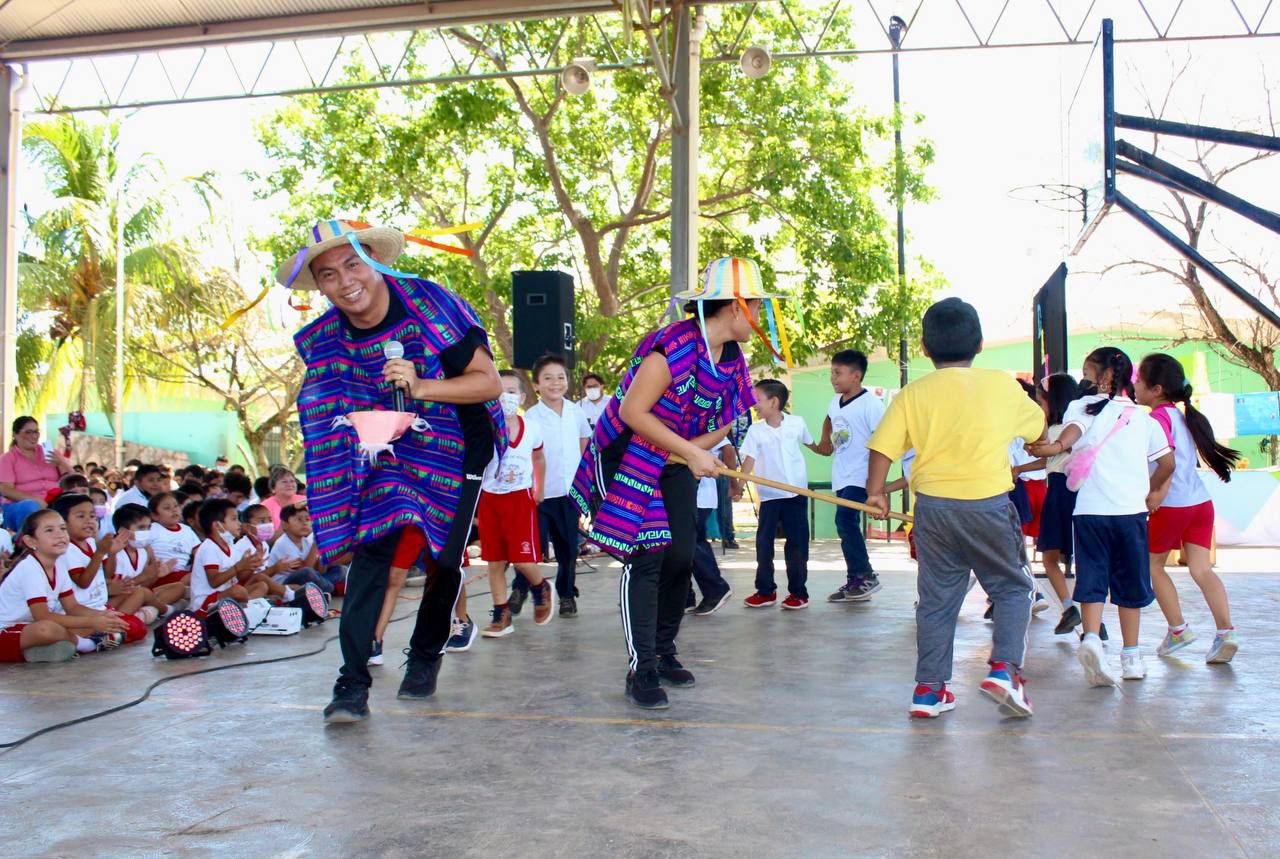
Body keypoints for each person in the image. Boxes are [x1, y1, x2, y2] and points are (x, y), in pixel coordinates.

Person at [282, 219, 504, 724]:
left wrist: (422, 386)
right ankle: (352, 683)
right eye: (328, 275)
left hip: (458, 439)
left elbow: (487, 382)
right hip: (383, 445)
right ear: (320, 287)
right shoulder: (325, 340)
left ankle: (425, 655)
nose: (345, 281)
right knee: (374, 554)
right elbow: (323, 403)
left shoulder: (429, 305)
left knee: (444, 559)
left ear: (375, 262)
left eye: (353, 264)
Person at [571, 256, 764, 710]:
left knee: (681, 554)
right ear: (736, 307)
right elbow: (634, 414)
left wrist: (695, 450)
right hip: (627, 455)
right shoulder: (671, 346)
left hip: (674, 459)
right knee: (650, 555)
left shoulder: (733, 361)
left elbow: (725, 422)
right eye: (756, 304)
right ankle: (642, 668)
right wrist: (691, 451)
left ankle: (664, 649)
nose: (759, 315)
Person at [865, 298, 1045, 720]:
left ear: (925, 348)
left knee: (937, 600)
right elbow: (1037, 428)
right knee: (1014, 587)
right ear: (980, 344)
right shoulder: (1001, 385)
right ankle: (1005, 669)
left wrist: (876, 492)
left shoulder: (913, 394)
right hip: (988, 505)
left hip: (933, 511)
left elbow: (882, 447)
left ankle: (928, 691)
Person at [1028, 347, 1175, 686]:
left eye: (1086, 371)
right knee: (1130, 586)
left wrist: (1048, 448)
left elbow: (1067, 441)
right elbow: (1168, 463)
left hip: (1090, 512)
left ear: (1099, 375)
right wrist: (1150, 492)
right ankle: (1132, 658)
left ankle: (1092, 639)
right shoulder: (1143, 417)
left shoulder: (1081, 407)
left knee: (1091, 581)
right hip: (1130, 513)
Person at [1135, 352, 1241, 664]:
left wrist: (1155, 492)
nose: (1135, 386)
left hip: (1172, 505)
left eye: (1139, 381)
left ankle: (1178, 629)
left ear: (1156, 390)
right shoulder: (1183, 415)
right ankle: (1226, 632)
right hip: (1200, 503)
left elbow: (1166, 463)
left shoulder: (1157, 418)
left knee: (1152, 566)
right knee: (1201, 569)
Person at [479, 370, 555, 639]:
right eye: (500, 391)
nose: (505, 397)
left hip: (519, 498)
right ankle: (502, 614)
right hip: (490, 498)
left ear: (522, 397)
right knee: (494, 562)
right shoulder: (483, 426)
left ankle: (540, 586)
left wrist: (540, 487)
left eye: (511, 392)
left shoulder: (532, 428)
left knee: (523, 560)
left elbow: (539, 459)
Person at [0, 509, 131, 662]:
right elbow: (42, 616)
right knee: (47, 629)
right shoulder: (30, 568)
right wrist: (92, 622)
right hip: (7, 630)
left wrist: (100, 616)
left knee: (89, 621)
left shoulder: (59, 564)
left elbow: (73, 607)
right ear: (31, 542)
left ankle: (42, 652)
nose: (60, 534)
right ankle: (86, 644)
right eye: (49, 530)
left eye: (62, 529)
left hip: (30, 627)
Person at [739, 379, 820, 610]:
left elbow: (812, 444)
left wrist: (826, 446)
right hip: (769, 497)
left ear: (774, 402)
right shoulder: (755, 430)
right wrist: (738, 485)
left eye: (757, 400)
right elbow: (749, 460)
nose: (754, 405)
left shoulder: (797, 423)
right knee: (764, 545)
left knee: (797, 546)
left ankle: (798, 593)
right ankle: (765, 591)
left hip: (795, 495)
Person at [817, 351, 886, 603]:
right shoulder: (835, 401)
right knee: (845, 525)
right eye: (831, 373)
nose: (833, 378)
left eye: (838, 373)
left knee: (845, 520)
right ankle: (856, 579)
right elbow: (828, 419)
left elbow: (882, 442)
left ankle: (865, 575)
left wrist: (876, 481)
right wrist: (826, 439)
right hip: (841, 474)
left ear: (856, 376)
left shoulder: (871, 405)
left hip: (861, 474)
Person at [526, 354, 592, 617]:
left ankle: (566, 595)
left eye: (561, 377)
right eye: (548, 378)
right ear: (536, 385)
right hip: (541, 493)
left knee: (567, 549)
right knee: (534, 545)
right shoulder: (532, 416)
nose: (556, 383)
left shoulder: (576, 411)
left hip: (570, 493)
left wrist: (583, 482)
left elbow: (584, 442)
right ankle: (525, 590)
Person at [51, 494, 153, 642]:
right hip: (78, 611)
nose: (89, 521)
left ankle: (107, 629)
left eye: (92, 516)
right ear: (63, 522)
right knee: (134, 627)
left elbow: (107, 573)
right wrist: (100, 553)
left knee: (137, 604)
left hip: (99, 605)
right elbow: (83, 582)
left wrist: (111, 553)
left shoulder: (92, 543)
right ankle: (87, 638)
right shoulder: (67, 549)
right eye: (81, 516)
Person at [1034, 373, 1085, 635]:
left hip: (1058, 494)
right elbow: (1049, 459)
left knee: (1049, 558)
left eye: (1041, 402)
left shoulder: (1054, 431)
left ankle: (1069, 608)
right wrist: (1021, 466)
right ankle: (1094, 619)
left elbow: (1047, 455)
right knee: (1085, 558)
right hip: (1083, 496)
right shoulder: (1081, 428)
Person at [686, 439, 735, 616]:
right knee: (681, 545)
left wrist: (733, 482)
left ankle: (716, 589)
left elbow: (728, 449)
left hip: (699, 494)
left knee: (692, 542)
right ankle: (685, 597)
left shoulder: (704, 418)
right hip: (683, 492)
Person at [191, 499, 266, 610]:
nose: (239, 524)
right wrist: (238, 567)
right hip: (206, 602)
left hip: (226, 596)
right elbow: (214, 582)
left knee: (261, 585)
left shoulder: (230, 545)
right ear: (217, 525)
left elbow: (240, 577)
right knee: (238, 591)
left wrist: (252, 565)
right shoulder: (209, 547)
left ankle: (245, 608)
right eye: (234, 519)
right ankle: (247, 609)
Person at [0, 416, 72, 531]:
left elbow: (72, 481)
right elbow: (6, 489)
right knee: (30, 506)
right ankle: (23, 543)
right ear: (15, 434)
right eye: (28, 432)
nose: (34, 436)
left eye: (36, 432)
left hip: (53, 503)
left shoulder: (49, 452)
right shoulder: (8, 458)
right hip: (20, 507)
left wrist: (62, 463)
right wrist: (36, 500)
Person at [110, 504, 188, 609]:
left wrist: (155, 575)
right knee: (142, 593)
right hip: (117, 601)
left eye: (149, 527)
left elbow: (144, 585)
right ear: (122, 531)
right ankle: (163, 610)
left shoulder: (144, 551)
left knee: (179, 587)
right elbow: (110, 590)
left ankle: (151, 609)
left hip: (139, 596)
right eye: (141, 528)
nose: (146, 532)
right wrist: (144, 576)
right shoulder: (112, 552)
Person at [268, 503, 346, 595]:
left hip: (308, 579)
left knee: (340, 570)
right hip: (285, 583)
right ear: (285, 524)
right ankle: (327, 589)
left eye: (307, 519)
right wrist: (315, 546)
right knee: (307, 572)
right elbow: (305, 570)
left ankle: (322, 589)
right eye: (299, 519)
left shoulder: (305, 541)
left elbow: (319, 570)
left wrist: (323, 549)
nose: (304, 523)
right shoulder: (283, 543)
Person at [234, 504, 297, 603]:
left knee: (295, 587)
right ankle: (291, 597)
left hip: (262, 582)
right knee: (262, 579)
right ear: (247, 527)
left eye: (270, 520)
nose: (268, 524)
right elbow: (242, 578)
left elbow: (264, 572)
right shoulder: (241, 547)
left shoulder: (264, 545)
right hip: (246, 587)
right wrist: (275, 569)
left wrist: (276, 569)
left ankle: (293, 596)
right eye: (262, 521)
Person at [147, 492, 200, 590]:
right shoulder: (152, 529)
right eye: (167, 508)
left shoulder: (187, 530)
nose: (174, 510)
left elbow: (199, 553)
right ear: (155, 516)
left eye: (176, 506)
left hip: (182, 574)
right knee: (196, 578)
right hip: (160, 575)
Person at [261, 467, 306, 532]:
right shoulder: (264, 507)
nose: (290, 484)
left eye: (292, 481)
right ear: (273, 488)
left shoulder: (306, 501)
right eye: (284, 482)